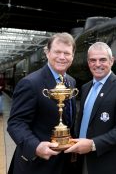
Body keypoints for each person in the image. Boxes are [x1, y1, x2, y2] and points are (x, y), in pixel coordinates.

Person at [7, 32, 77, 174]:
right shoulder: (30, 83)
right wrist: (35, 147)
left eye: (67, 53)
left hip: (63, 163)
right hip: (37, 165)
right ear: (47, 53)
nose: (62, 57)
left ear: (73, 56)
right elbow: (16, 123)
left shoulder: (71, 81)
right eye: (57, 52)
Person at [65, 42, 116, 174]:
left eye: (102, 60)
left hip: (108, 163)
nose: (97, 64)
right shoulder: (86, 88)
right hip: (82, 158)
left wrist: (93, 144)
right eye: (93, 60)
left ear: (111, 61)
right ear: (88, 62)